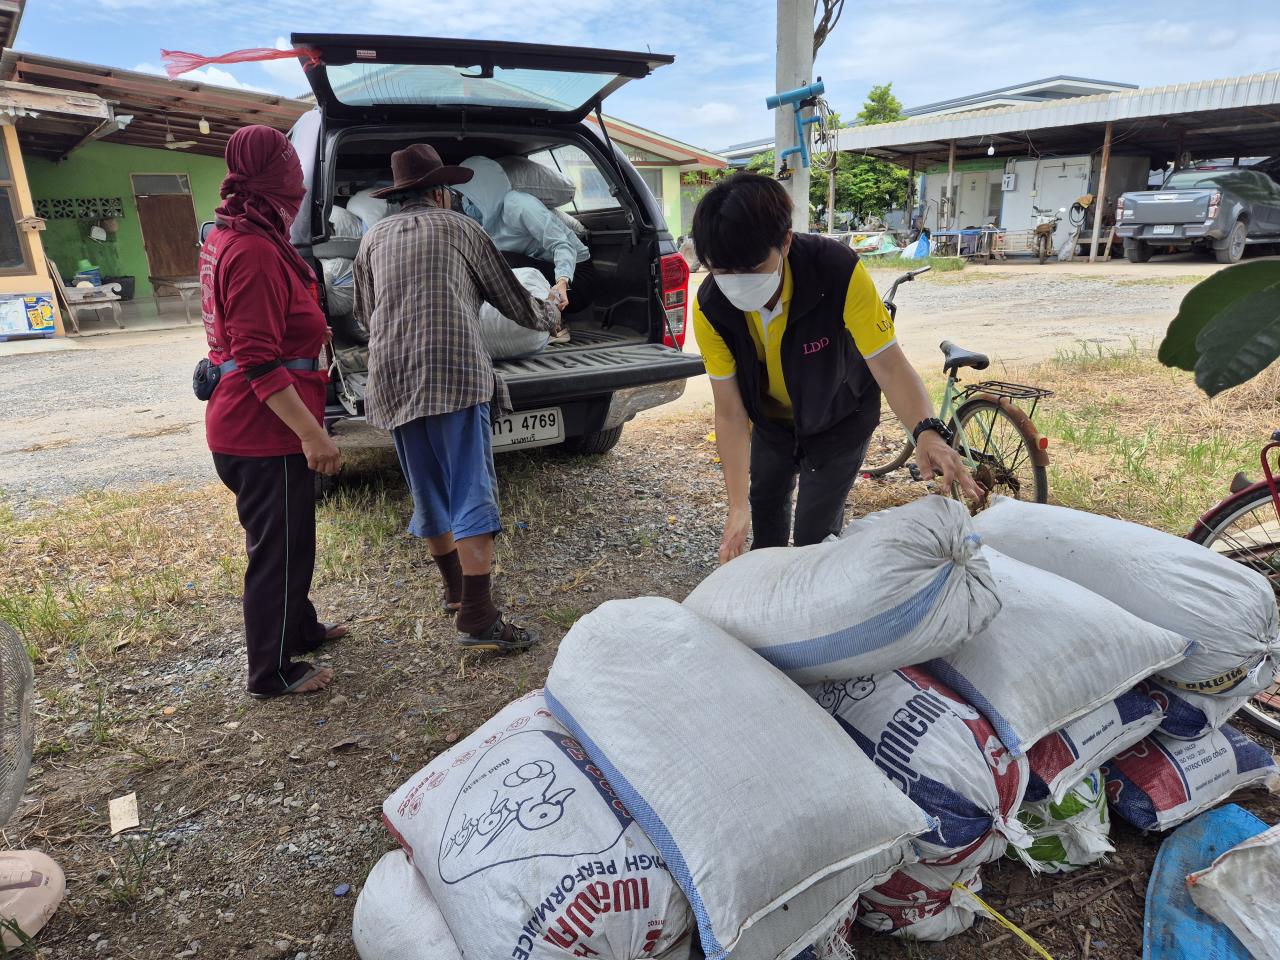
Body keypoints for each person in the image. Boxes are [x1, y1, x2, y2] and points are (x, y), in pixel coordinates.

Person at [691, 173, 980, 564]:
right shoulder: (711, 307)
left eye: (754, 267)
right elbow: (729, 411)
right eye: (723, 271)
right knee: (764, 516)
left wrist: (926, 431)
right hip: (773, 423)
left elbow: (890, 366)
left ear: (787, 241)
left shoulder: (836, 272)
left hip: (841, 417)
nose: (737, 284)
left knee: (816, 537)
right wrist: (735, 505)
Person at [354, 144, 561, 652]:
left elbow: (364, 315)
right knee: (470, 488)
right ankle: (477, 614)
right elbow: (513, 301)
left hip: (392, 379)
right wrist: (553, 312)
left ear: (402, 197)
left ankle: (454, 592)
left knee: (427, 489)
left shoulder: (372, 238)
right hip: (455, 375)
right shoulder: (464, 230)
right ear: (443, 193)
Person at [200, 125, 346, 699]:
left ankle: (301, 629)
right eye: (287, 161)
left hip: (254, 425)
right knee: (277, 553)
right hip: (264, 433)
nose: (296, 172)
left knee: (292, 541)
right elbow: (258, 361)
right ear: (270, 175)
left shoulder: (236, 234)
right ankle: (272, 671)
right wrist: (314, 436)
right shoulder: (255, 249)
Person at [453, 156, 596, 314]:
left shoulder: (517, 205)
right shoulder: (486, 225)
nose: (466, 205)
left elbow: (562, 244)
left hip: (576, 278)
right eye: (463, 199)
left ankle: (551, 319)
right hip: (547, 273)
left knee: (503, 260)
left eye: (471, 199)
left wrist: (562, 281)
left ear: (485, 189)